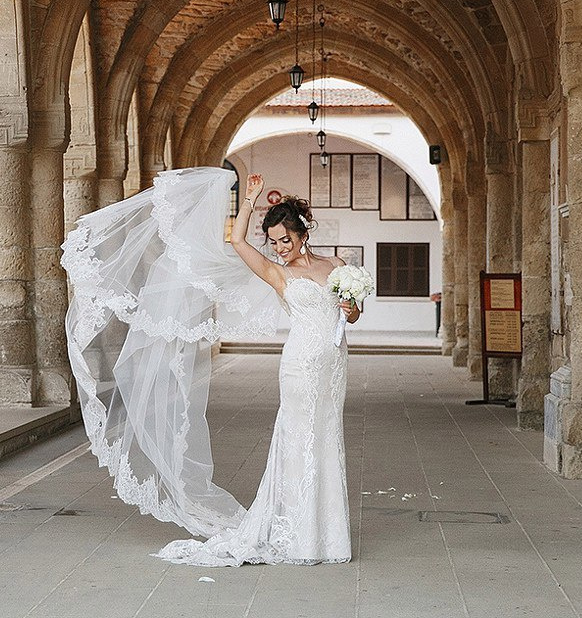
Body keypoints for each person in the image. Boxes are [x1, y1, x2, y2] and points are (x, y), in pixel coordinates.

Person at [61, 167, 362, 567]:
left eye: (285, 239)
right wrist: (250, 201)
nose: (280, 248)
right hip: (301, 366)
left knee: (327, 437)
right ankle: (298, 534)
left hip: (334, 366)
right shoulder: (277, 273)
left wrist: (351, 307)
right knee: (299, 440)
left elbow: (353, 315)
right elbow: (237, 240)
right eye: (273, 242)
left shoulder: (337, 265)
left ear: (304, 233)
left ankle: (327, 535)